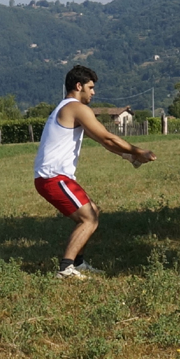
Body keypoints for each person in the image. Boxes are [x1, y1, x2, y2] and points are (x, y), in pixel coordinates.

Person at [33, 65, 157, 279]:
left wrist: (129, 157)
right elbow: (107, 137)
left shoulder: (68, 108)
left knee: (93, 211)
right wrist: (139, 151)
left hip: (56, 177)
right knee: (88, 219)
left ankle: (78, 263)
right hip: (53, 177)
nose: (93, 92)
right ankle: (66, 269)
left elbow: (104, 142)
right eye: (90, 87)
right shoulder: (76, 108)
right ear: (78, 86)